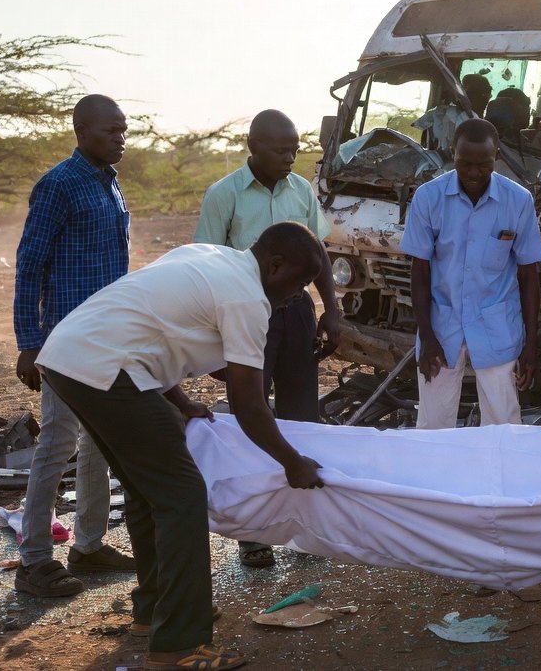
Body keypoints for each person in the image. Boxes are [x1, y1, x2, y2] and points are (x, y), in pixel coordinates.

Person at [36, 222, 328, 670]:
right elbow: (248, 405)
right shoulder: (248, 299)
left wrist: (182, 400)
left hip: (71, 358)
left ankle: (155, 611)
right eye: (299, 282)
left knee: (146, 492)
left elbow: (153, 330)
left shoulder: (210, 256)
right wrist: (293, 463)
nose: (296, 294)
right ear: (274, 265)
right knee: (182, 495)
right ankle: (179, 645)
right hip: (109, 372)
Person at [193, 108, 341, 568]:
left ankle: (304, 527)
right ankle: (254, 533)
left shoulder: (302, 191)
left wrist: (331, 310)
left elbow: (318, 255)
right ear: (253, 146)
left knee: (302, 415)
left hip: (294, 310)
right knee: (250, 414)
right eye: (281, 149)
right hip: (244, 313)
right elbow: (207, 264)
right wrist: (214, 339)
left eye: (295, 149)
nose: (290, 157)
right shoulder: (224, 194)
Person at [13, 94, 136, 598]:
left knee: (100, 442)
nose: (120, 139)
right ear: (81, 130)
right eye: (111, 131)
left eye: (124, 131)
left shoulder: (110, 182)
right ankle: (34, 561)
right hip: (66, 338)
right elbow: (29, 265)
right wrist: (28, 342)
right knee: (57, 445)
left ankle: (87, 545)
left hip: (109, 336)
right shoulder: (59, 185)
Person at [402, 118, 541, 429]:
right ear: (452, 152)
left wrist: (531, 344)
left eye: (484, 164)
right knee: (433, 427)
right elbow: (420, 270)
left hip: (498, 328)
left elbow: (529, 274)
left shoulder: (518, 201)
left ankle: (499, 478)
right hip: (442, 328)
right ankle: (435, 479)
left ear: (497, 155)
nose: (474, 173)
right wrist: (426, 336)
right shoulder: (428, 198)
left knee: (503, 426)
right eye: (465, 163)